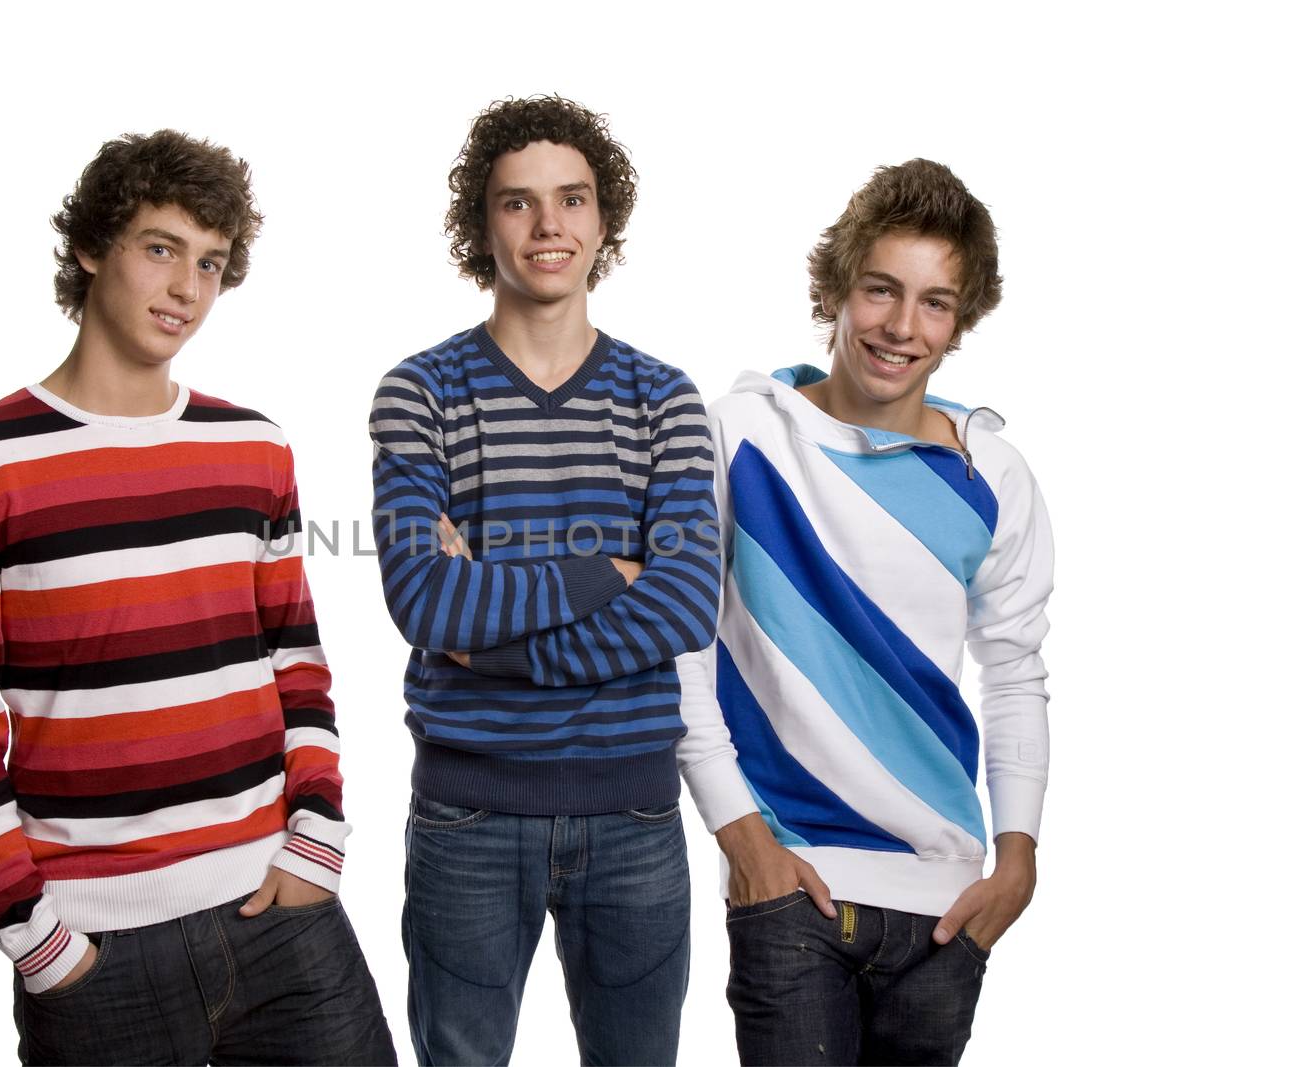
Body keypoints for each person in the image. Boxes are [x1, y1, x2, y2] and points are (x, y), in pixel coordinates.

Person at [0, 129, 395, 1066]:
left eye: (211, 263)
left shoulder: (252, 446)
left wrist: (316, 844)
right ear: (93, 246)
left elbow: (298, 663)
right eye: (161, 248)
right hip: (96, 958)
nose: (187, 289)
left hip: (280, 913)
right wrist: (40, 943)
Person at [367, 95, 721, 1066]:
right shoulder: (421, 391)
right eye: (518, 204)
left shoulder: (663, 397)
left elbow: (687, 601)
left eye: (571, 200)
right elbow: (423, 601)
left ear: (604, 221)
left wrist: (486, 637)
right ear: (481, 226)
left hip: (636, 811)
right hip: (467, 817)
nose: (548, 225)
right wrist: (603, 571)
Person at [676, 158, 1054, 1065]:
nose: (901, 326)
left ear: (961, 319)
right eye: (882, 290)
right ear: (838, 287)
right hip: (792, 886)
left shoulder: (992, 475)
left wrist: (1019, 859)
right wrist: (745, 840)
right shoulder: (737, 434)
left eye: (935, 302)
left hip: (947, 908)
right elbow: (680, 649)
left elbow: (1016, 674)